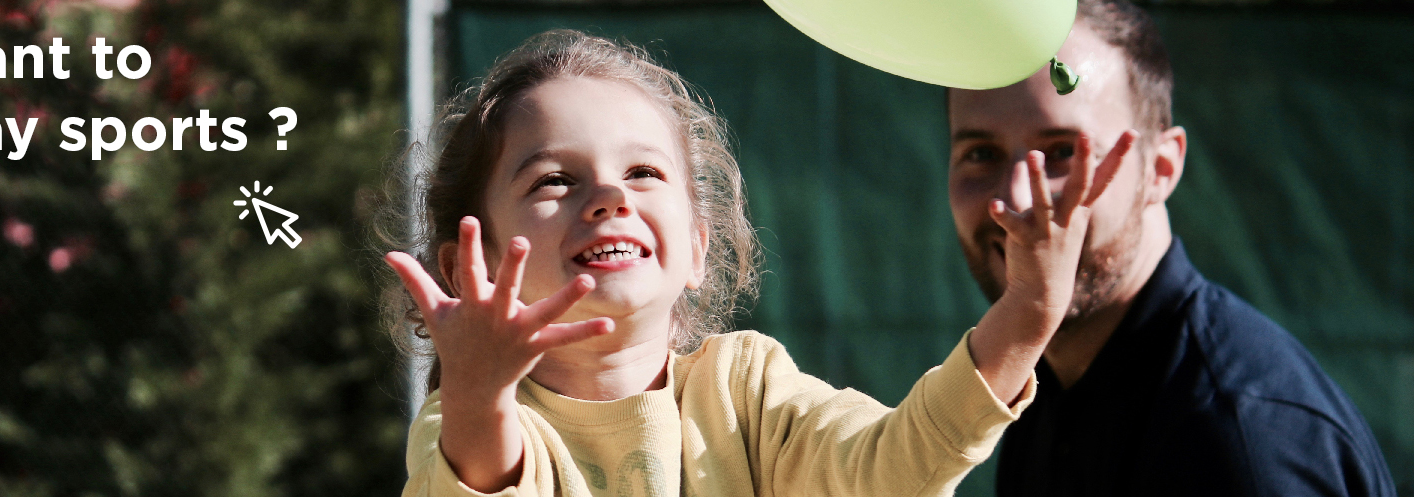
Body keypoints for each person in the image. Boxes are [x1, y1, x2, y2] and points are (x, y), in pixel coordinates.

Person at [381, 29, 1124, 496]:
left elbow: (892, 467)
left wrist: (1027, 315)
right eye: (554, 180)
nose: (609, 196)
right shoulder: (471, 423)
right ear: (466, 261)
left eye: (644, 173)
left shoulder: (747, 388)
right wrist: (481, 391)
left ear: (698, 249)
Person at [945, 1, 1398, 495]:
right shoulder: (1039, 390)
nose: (1015, 200)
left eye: (1062, 152)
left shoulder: (1237, 438)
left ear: (1160, 168)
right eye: (980, 153)